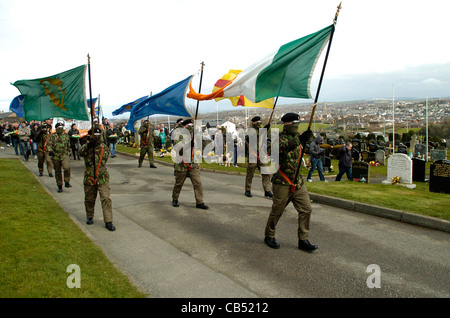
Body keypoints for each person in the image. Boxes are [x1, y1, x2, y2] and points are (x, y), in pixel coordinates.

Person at [264, 112, 318, 251]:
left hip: (297, 182)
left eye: (298, 123)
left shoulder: (298, 138)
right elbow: (275, 151)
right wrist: (299, 140)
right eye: (294, 123)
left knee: (306, 209)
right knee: (277, 211)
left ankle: (303, 239)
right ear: (286, 124)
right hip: (282, 181)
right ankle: (269, 235)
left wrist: (307, 138)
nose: (296, 126)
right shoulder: (279, 138)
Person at [79, 126, 115, 231]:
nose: (97, 137)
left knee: (106, 198)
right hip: (90, 177)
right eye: (95, 135)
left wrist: (97, 147)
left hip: (102, 177)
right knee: (89, 199)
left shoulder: (104, 148)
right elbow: (80, 153)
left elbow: (103, 160)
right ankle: (90, 216)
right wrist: (89, 146)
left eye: (99, 135)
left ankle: (108, 221)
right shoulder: (87, 147)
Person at [171, 118, 208, 209]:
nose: (191, 128)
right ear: (185, 126)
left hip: (193, 163)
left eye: (192, 126)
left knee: (197, 183)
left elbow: (201, 146)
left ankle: (199, 202)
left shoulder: (195, 134)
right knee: (179, 183)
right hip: (182, 164)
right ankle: (175, 199)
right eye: (189, 126)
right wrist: (189, 143)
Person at [244, 116, 272, 198]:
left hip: (262, 155)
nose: (259, 123)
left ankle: (267, 190)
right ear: (253, 123)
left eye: (260, 122)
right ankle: (247, 190)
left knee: (266, 173)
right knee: (250, 173)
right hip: (253, 155)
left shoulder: (261, 130)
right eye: (257, 122)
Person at [48, 121, 71, 193]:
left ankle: (67, 181)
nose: (60, 129)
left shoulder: (65, 135)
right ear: (56, 128)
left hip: (64, 155)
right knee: (58, 172)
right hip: (55, 156)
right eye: (59, 128)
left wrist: (69, 152)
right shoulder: (52, 136)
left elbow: (68, 145)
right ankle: (59, 185)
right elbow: (49, 145)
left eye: (61, 127)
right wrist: (50, 150)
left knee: (66, 167)